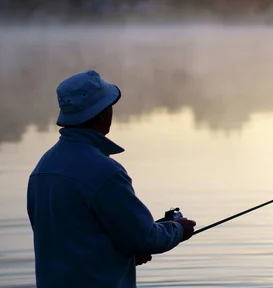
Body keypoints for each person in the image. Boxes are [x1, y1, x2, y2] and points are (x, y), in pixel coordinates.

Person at [27, 70, 196, 288]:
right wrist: (178, 229)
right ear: (101, 114)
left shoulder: (42, 169)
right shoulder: (106, 172)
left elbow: (68, 242)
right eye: (109, 106)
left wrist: (122, 258)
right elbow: (145, 238)